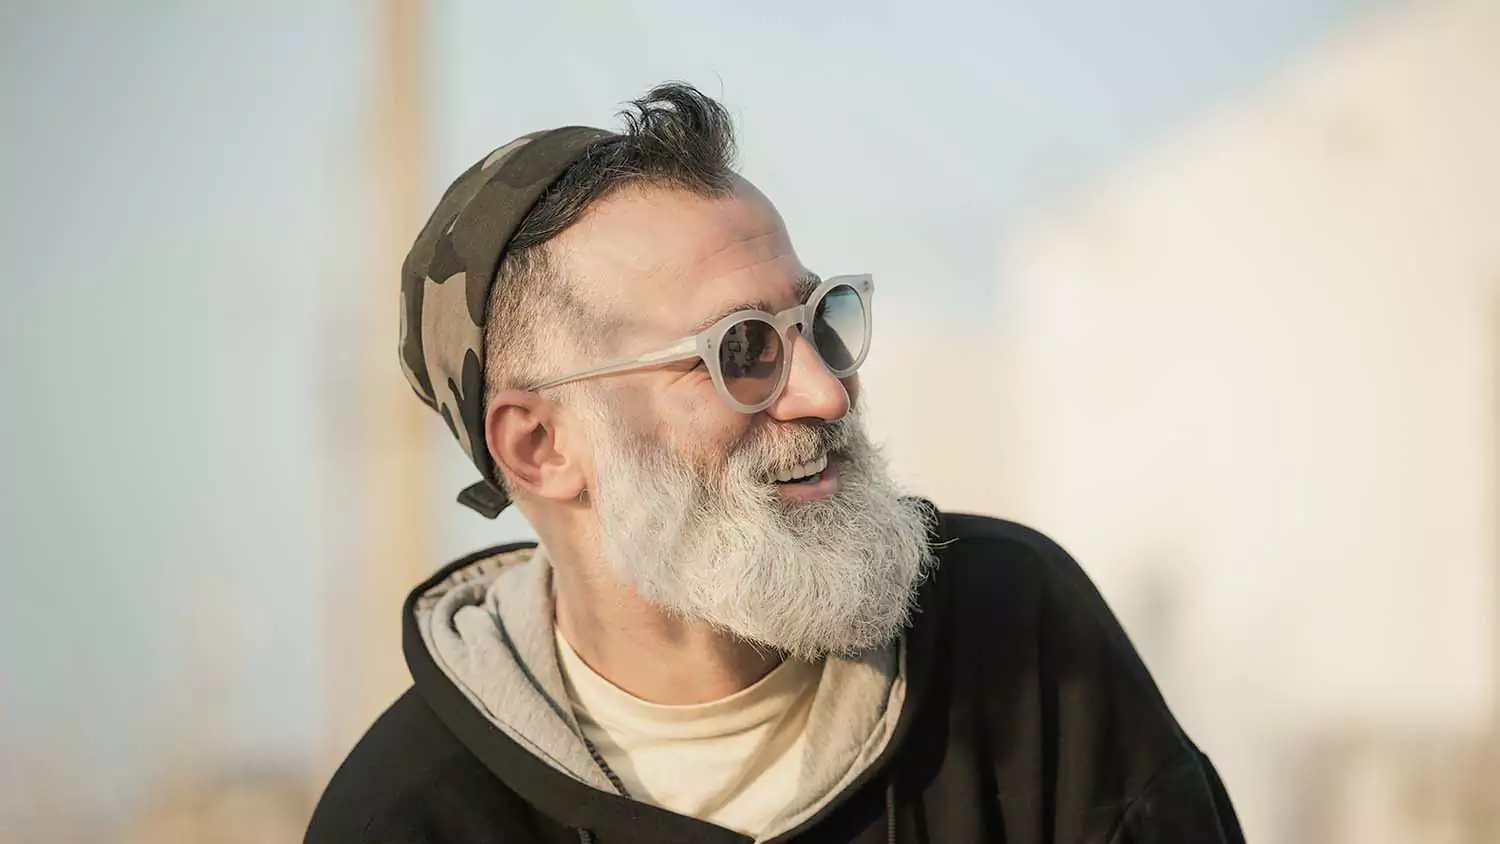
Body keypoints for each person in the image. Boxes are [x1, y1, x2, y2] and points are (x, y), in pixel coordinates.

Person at [306, 82, 1244, 844]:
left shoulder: (1014, 636)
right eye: (741, 349)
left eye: (821, 320)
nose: (826, 393)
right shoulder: (410, 819)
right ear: (541, 446)